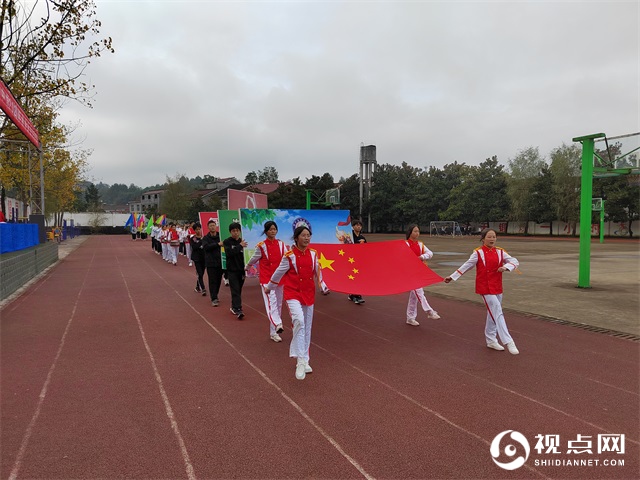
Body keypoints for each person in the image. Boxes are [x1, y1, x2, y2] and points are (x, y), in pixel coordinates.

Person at [265, 225, 329, 380]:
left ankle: (306, 360)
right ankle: (300, 360)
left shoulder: (313, 254)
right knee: (299, 321)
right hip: (293, 293)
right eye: (303, 235)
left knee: (307, 327)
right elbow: (278, 272)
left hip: (308, 294)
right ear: (296, 238)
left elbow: (318, 272)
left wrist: (323, 286)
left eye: (309, 235)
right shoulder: (289, 256)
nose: (307, 238)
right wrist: (269, 287)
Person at [444, 228, 520, 354]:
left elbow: (514, 261)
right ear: (483, 238)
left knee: (492, 313)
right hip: (484, 287)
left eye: (494, 237)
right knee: (497, 310)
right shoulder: (478, 252)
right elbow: (467, 265)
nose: (492, 239)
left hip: (497, 286)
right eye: (489, 237)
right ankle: (508, 341)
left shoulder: (500, 252)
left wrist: (506, 267)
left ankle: (490, 339)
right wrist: (452, 276)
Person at [245, 221, 288, 342]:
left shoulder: (281, 244)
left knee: (278, 304)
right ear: (266, 231)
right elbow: (254, 258)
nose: (273, 231)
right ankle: (278, 323)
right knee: (271, 302)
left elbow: (287, 257)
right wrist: (247, 266)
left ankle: (273, 332)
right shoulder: (261, 246)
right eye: (270, 229)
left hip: (279, 279)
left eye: (274, 229)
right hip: (266, 280)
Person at [405, 224, 440, 326]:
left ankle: (410, 317)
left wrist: (422, 257)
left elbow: (430, 253)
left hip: (419, 271)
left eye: (418, 231)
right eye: (415, 231)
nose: (417, 233)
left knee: (414, 296)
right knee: (419, 292)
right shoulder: (405, 244)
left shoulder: (420, 244)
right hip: (409, 272)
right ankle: (429, 311)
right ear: (410, 232)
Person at [223, 222, 248, 319]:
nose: (236, 233)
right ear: (230, 232)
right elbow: (229, 253)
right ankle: (238, 309)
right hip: (232, 270)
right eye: (233, 231)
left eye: (237, 231)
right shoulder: (227, 242)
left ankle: (234, 306)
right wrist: (239, 246)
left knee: (239, 289)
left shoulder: (243, 242)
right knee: (235, 289)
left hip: (241, 270)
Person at [202, 220, 224, 307]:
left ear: (216, 226)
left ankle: (216, 294)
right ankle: (213, 298)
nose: (212, 227)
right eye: (210, 226)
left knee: (218, 280)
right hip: (210, 263)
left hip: (220, 262)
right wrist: (217, 244)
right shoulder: (206, 238)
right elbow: (206, 247)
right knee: (212, 280)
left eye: (214, 225)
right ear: (208, 227)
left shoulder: (220, 236)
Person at [348, 219, 367, 304]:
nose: (358, 227)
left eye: (360, 225)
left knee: (359, 277)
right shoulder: (350, 236)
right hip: (351, 260)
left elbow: (367, 249)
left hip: (360, 260)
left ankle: (354, 294)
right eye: (357, 225)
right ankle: (355, 295)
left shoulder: (362, 238)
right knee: (353, 277)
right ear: (353, 226)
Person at [189, 222, 207, 297]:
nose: (198, 230)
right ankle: (203, 288)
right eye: (196, 229)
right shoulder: (193, 238)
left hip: (204, 258)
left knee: (202, 273)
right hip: (196, 258)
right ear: (194, 230)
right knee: (199, 273)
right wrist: (201, 241)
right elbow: (194, 247)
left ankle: (197, 287)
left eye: (199, 229)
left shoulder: (205, 237)